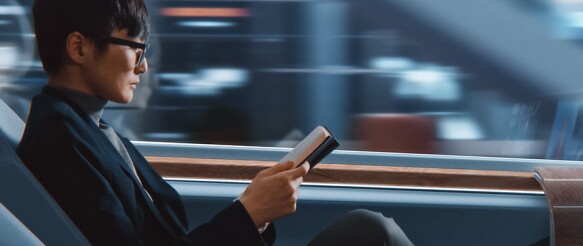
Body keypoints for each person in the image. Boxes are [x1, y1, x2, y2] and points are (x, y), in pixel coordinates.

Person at [16, 0, 413, 245]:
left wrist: (256, 216)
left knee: (369, 229)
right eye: (136, 47)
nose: (144, 65)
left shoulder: (88, 127)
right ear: (79, 47)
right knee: (372, 232)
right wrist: (248, 214)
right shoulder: (60, 138)